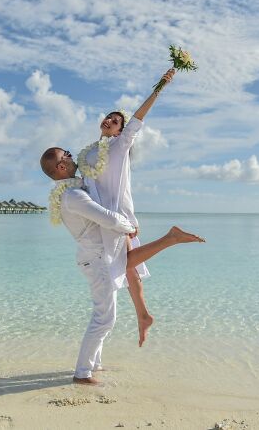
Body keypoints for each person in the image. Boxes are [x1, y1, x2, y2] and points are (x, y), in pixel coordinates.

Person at [40, 147, 204, 385]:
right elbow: (107, 218)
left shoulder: (72, 191)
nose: (70, 154)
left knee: (106, 309)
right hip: (97, 260)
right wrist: (129, 226)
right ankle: (82, 373)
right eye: (65, 155)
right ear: (61, 167)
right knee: (104, 318)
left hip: (98, 256)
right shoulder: (73, 196)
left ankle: (93, 364)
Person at [77, 68, 175, 347]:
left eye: (117, 120)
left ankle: (144, 314)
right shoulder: (88, 153)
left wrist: (160, 87)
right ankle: (143, 316)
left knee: (128, 265)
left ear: (121, 131)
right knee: (130, 269)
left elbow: (139, 118)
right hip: (100, 218)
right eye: (109, 117)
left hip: (118, 217)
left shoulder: (119, 147)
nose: (110, 120)